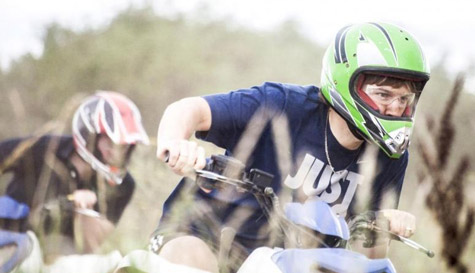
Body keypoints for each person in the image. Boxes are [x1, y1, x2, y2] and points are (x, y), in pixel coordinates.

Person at [153, 22, 430, 272]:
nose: (395, 108)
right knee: (191, 260)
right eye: (383, 95)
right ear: (345, 83)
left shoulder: (389, 156)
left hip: (288, 262)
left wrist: (380, 227)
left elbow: (366, 260)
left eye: (405, 99)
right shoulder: (280, 106)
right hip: (205, 235)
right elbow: (191, 109)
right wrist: (175, 142)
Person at [0, 91, 149, 271]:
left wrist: (84, 210)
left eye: (124, 147)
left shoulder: (123, 185)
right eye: (110, 143)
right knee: (25, 251)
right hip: (12, 241)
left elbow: (89, 245)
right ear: (90, 136)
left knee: (118, 263)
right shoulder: (44, 148)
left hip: (60, 259)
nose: (116, 153)